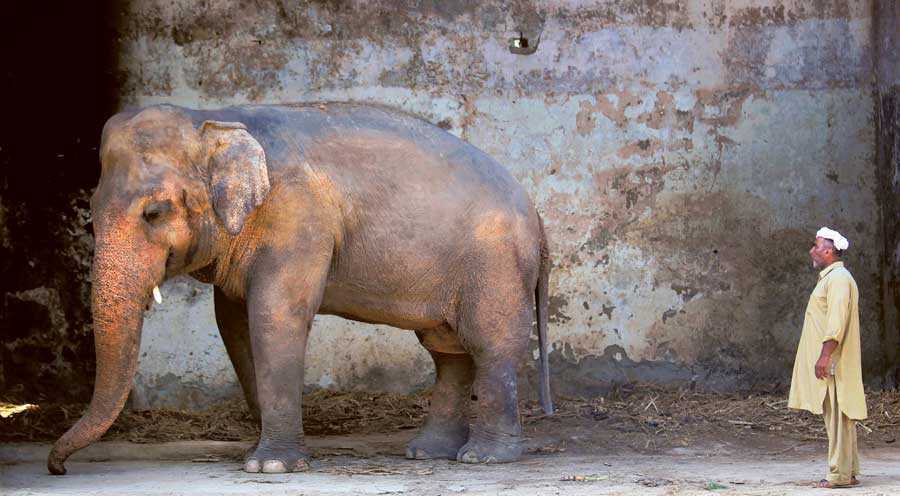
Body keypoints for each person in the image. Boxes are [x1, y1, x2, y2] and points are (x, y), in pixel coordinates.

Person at [788, 227, 867, 488]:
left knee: (837, 418)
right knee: (839, 418)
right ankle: (848, 471)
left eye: (815, 245)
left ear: (828, 251)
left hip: (834, 362)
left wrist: (825, 356)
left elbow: (836, 322)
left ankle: (839, 475)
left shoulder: (839, 279)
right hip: (833, 360)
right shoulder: (833, 278)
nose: (811, 250)